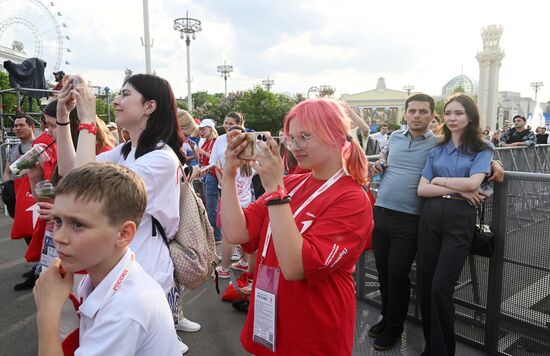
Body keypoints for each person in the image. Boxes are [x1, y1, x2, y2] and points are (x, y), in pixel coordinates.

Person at [221, 98, 373, 355]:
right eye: (291, 138)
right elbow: (237, 232)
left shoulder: (353, 199)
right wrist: (229, 174)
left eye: (304, 136)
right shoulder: (293, 183)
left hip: (313, 328)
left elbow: (295, 267)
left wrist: (275, 192)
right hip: (271, 316)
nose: (295, 146)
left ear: (335, 135)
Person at [55, 73, 190, 353]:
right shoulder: (129, 150)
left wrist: (89, 121)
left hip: (143, 269)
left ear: (149, 106)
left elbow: (86, 190)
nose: (116, 100)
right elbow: (70, 172)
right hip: (120, 265)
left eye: (126, 94)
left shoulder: (161, 160)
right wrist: (63, 118)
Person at [369, 93, 504, 351]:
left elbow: (473, 167)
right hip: (397, 213)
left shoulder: (441, 143)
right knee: (394, 275)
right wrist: (381, 161)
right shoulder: (404, 140)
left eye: (423, 111)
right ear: (405, 113)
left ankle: (407, 333)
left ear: (433, 116)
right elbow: (401, 169)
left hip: (425, 218)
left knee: (414, 279)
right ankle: (393, 324)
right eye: (412, 111)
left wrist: (494, 163)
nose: (417, 115)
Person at [33, 162, 180, 356]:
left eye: (77, 224)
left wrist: (47, 312)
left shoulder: (125, 311)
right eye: (58, 221)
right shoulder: (104, 274)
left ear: (123, 234)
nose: (59, 236)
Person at [416, 94, 494, 356]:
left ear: (470, 116)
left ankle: (443, 351)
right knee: (426, 285)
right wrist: (450, 186)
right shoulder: (437, 149)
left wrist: (439, 181)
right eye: (448, 113)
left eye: (458, 113)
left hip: (460, 217)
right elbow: (421, 189)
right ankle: (432, 347)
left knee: (441, 287)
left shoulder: (483, 149)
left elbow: (473, 184)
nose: (452, 118)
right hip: (431, 216)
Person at [196, 118, 221, 242]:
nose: (201, 131)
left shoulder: (216, 142)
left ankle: (216, 235)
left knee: (212, 206)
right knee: (208, 205)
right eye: (200, 129)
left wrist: (203, 152)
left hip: (212, 175)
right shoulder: (206, 142)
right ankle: (214, 234)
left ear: (210, 129)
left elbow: (216, 160)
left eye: (203, 128)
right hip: (206, 175)